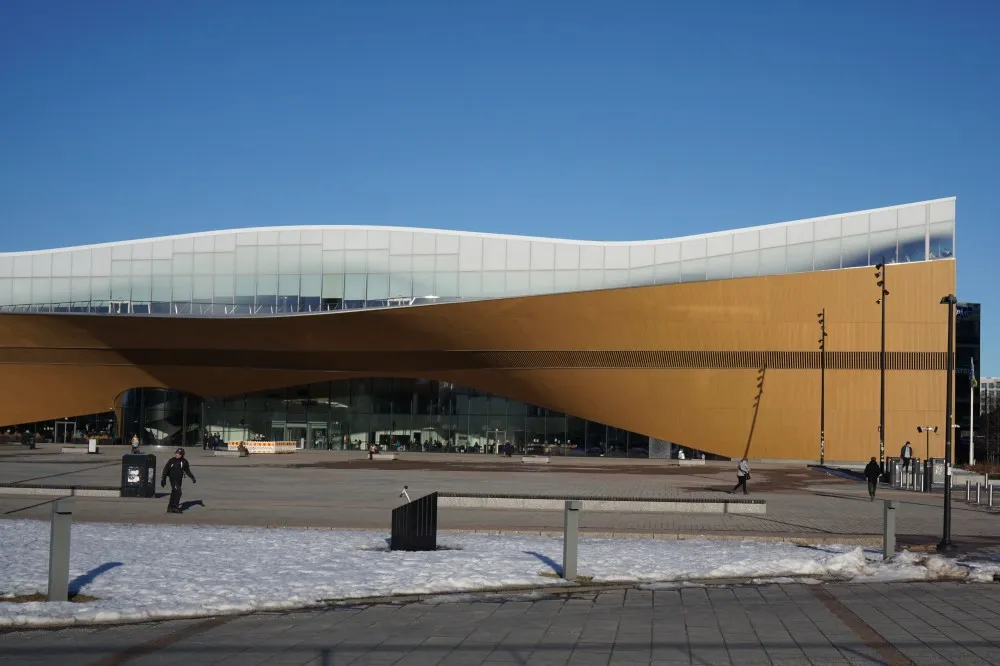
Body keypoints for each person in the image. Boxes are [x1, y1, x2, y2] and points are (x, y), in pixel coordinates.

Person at [161, 448, 196, 514]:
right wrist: (163, 479)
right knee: (178, 492)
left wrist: (192, 477)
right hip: (173, 479)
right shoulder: (172, 460)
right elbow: (165, 470)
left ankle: (170, 507)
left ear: (182, 455)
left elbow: (187, 471)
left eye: (179, 454)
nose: (177, 454)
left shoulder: (184, 461)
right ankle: (175, 507)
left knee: (174, 492)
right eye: (176, 453)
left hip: (179, 480)